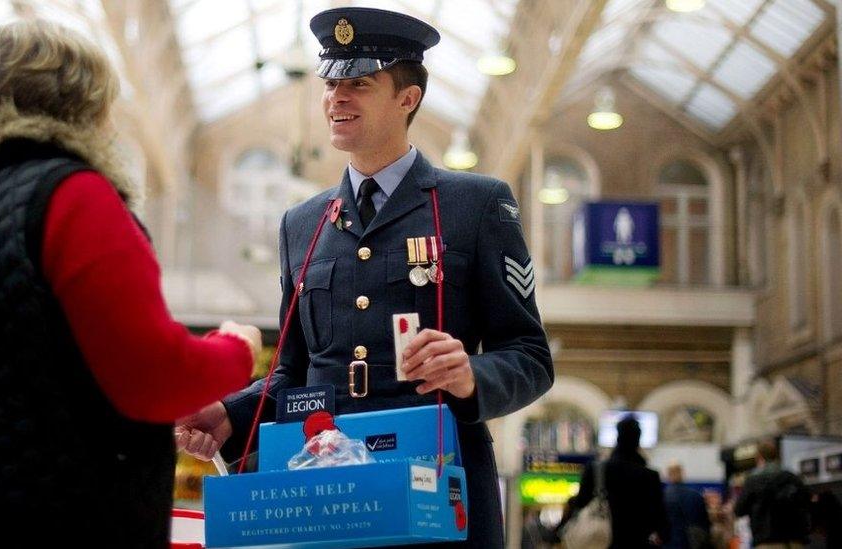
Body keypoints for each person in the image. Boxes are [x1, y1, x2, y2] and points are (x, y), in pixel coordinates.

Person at [0, 20, 258, 548]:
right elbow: (152, 376)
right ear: (90, 106)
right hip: (27, 516)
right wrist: (236, 346)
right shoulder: (71, 196)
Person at [176, 6, 553, 548]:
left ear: (408, 98)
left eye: (359, 82)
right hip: (325, 489)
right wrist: (230, 416)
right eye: (331, 82)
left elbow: (530, 356)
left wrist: (470, 375)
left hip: (435, 488)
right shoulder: (302, 223)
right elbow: (293, 372)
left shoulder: (476, 205)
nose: (336, 97)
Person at [571, 416, 670, 548]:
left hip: (600, 542)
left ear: (617, 437)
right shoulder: (650, 476)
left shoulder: (596, 470)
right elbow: (660, 521)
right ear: (638, 440)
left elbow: (580, 504)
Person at [733, 438, 811, 549]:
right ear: (777, 456)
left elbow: (739, 510)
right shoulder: (793, 478)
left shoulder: (754, 480)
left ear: (759, 458)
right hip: (795, 541)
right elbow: (807, 502)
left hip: (768, 541)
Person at [663, 462, 712, 549]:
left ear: (668, 475)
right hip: (691, 543)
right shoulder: (696, 496)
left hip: (668, 543)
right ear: (682, 474)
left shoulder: (662, 496)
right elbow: (706, 523)